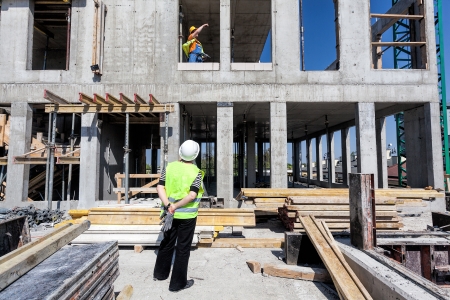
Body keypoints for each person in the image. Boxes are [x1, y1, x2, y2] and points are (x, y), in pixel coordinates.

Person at [153, 140, 204, 292]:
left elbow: (160, 186)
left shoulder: (169, 167)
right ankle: (177, 284)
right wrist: (175, 206)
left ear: (180, 152)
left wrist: (169, 205)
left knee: (167, 242)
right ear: (196, 155)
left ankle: (160, 274)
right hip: (187, 217)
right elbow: (192, 195)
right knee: (182, 249)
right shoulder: (197, 173)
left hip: (169, 214)